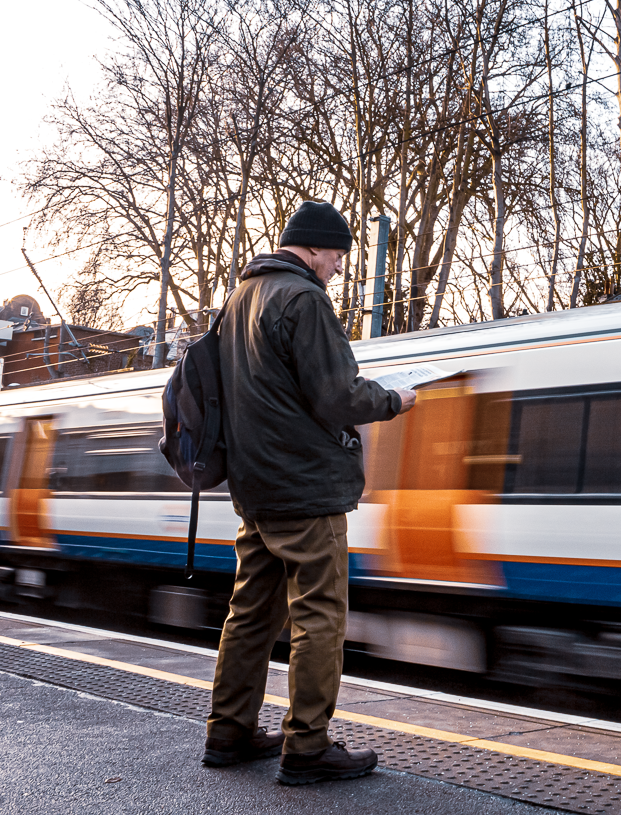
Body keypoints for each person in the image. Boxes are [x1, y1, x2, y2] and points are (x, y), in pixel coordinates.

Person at [201, 201, 416, 785]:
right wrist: (394, 399)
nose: (340, 267)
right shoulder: (303, 299)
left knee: (248, 613)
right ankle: (308, 747)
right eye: (338, 254)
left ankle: (229, 731)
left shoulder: (241, 298)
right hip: (306, 487)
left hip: (255, 487)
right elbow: (335, 395)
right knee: (319, 614)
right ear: (315, 248)